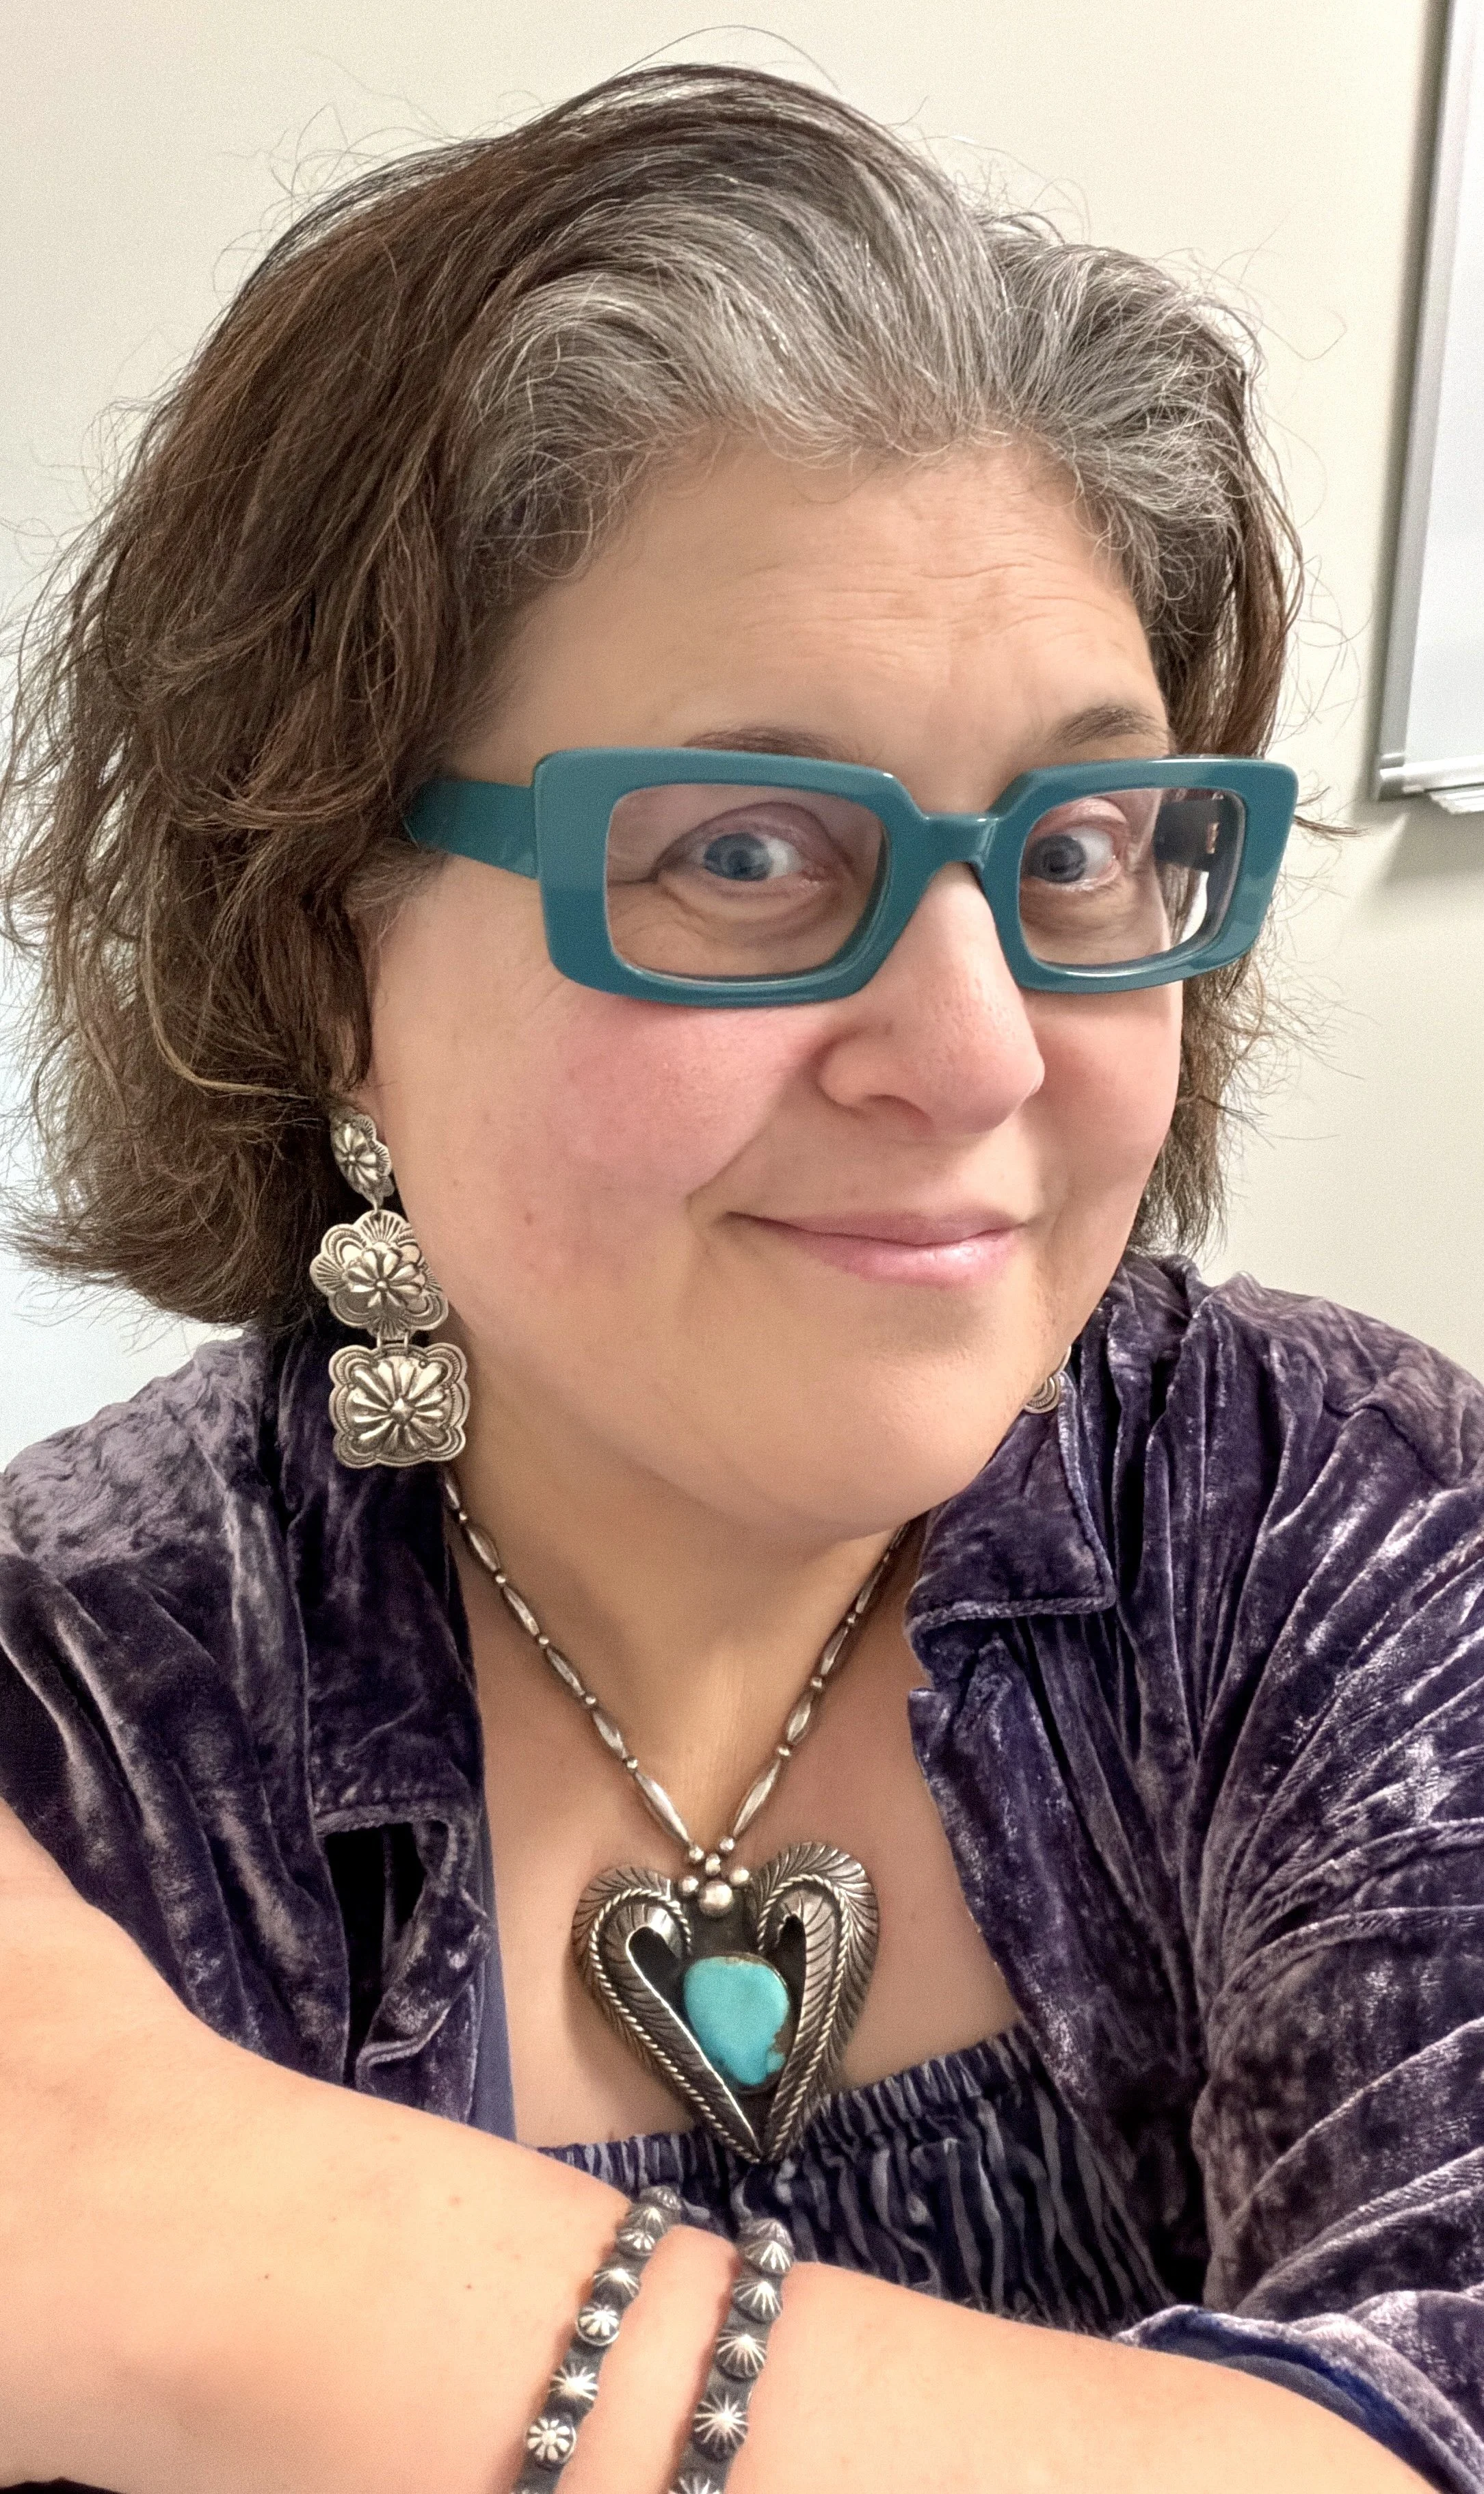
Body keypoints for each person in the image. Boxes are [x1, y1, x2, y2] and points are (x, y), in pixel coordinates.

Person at [0, 60, 1479, 2494]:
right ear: (322, 952)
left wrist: (215, 2249)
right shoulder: (88, 1718)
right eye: (747, 854)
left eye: (1087, 839)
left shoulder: (1341, 1524)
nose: (981, 1044)